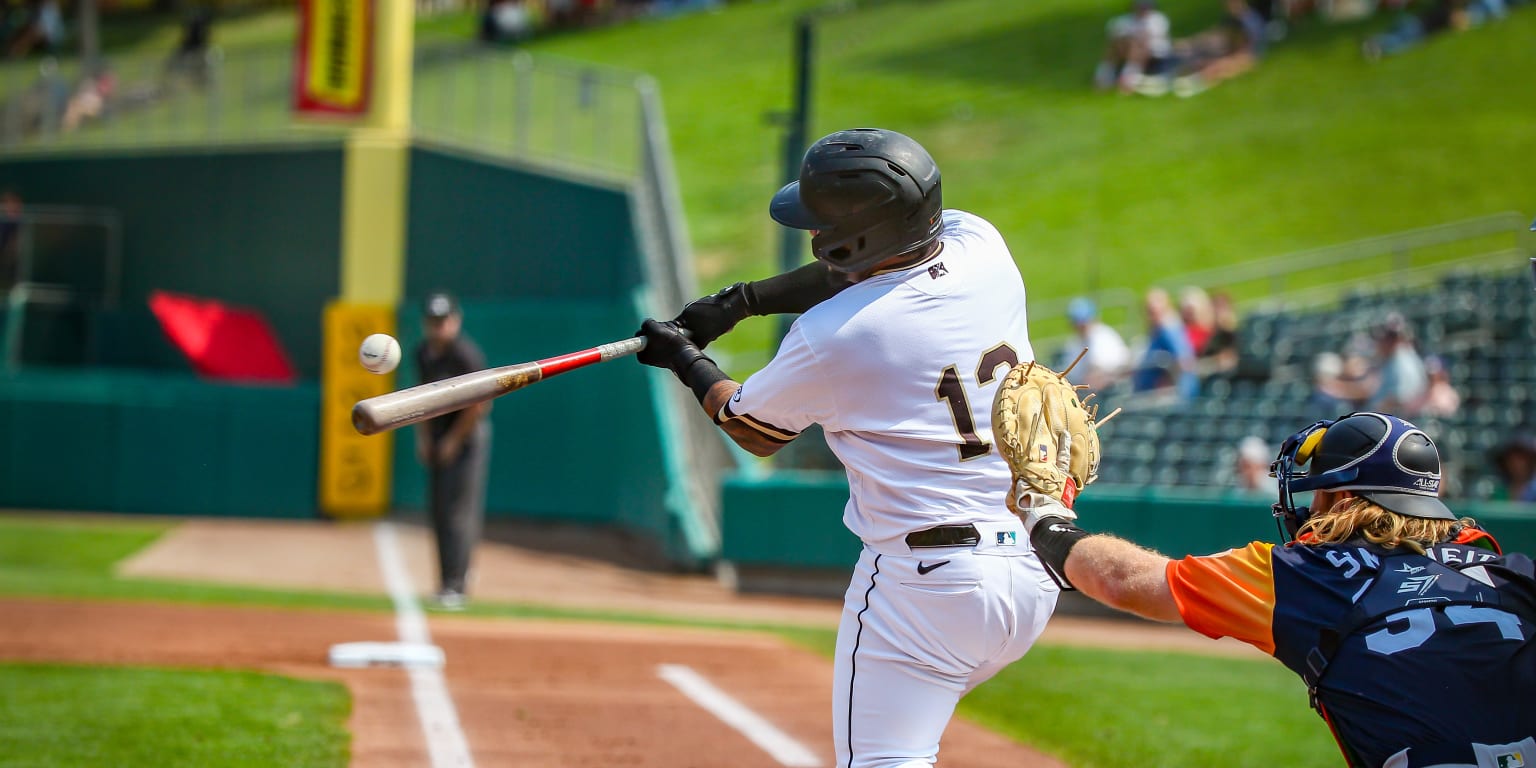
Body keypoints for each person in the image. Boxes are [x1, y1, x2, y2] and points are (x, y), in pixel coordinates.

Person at [636, 128, 1059, 768]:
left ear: (852, 239)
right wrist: (745, 302)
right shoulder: (983, 247)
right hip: (1034, 565)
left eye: (823, 226)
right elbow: (866, 271)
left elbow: (751, 427)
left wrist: (685, 359)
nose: (812, 235)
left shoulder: (835, 337)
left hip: (927, 587)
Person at [1005, 410, 1536, 768]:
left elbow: (1128, 581)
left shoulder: (1307, 574)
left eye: (1320, 495)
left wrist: (1045, 516)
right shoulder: (1515, 573)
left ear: (1345, 499)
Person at [414, 291, 492, 610]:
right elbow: (418, 399)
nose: (439, 327)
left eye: (444, 321)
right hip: (437, 436)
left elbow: (480, 404)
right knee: (439, 511)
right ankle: (445, 581)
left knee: (459, 512)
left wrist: (452, 442)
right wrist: (424, 438)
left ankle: (457, 584)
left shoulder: (465, 355)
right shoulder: (422, 354)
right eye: (433, 321)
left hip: (467, 438)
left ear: (455, 321)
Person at [1132, 286, 1199, 399]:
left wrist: (1167, 382)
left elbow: (1184, 361)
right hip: (1150, 395)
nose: (1150, 317)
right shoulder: (1159, 330)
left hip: (1169, 397)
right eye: (1148, 311)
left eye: (1153, 312)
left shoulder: (1168, 329)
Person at [1094, 0, 1175, 93]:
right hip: (1126, 51)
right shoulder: (1122, 21)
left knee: (1137, 44)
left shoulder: (1157, 19)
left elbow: (1148, 39)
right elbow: (1115, 40)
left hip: (1154, 53)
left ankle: (1126, 78)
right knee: (1120, 44)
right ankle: (1107, 75)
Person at [1057, 297, 1131, 391]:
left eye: (1083, 322)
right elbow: (1071, 372)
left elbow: (1113, 368)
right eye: (1076, 323)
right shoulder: (1073, 343)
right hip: (1085, 387)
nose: (1080, 326)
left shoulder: (1104, 336)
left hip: (1112, 385)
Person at [1369, 312, 1428, 413]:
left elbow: (1400, 399)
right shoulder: (1394, 357)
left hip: (1397, 418)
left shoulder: (1403, 362)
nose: (1381, 342)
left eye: (1388, 338)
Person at [1490, 436, 1536, 503]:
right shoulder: (1500, 491)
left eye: (1521, 460)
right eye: (1511, 461)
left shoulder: (1534, 490)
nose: (1516, 465)